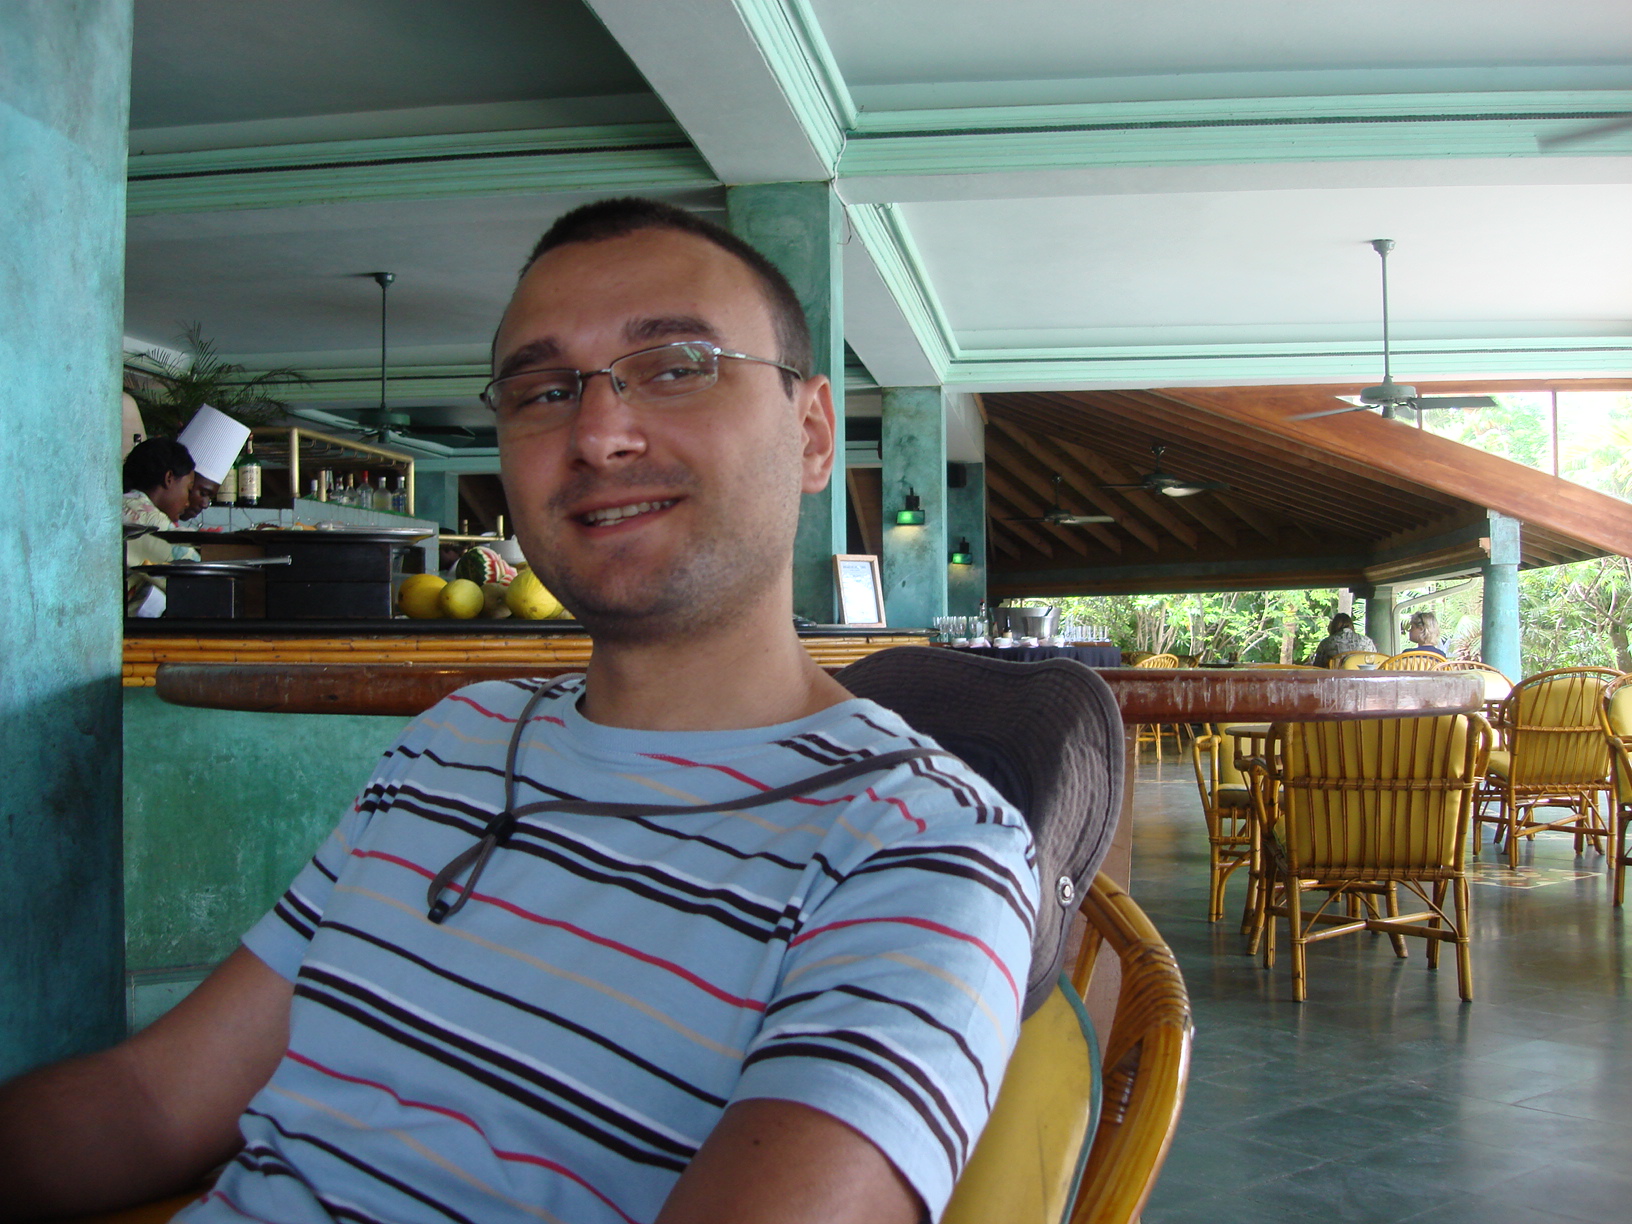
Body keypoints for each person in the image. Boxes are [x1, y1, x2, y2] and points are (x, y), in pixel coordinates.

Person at [0, 199, 1038, 1224]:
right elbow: (150, 1101)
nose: (597, 433)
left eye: (676, 366)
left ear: (812, 435)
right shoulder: (456, 740)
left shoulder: (922, 849)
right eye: (542, 391)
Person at [122, 437, 200, 615]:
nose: (187, 503)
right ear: (169, 478)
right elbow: (196, 571)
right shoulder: (144, 516)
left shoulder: (125, 503)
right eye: (188, 489)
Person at [1309, 612, 1377, 668]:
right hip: (1363, 678)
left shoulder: (1326, 643)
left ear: (1333, 626)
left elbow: (1318, 667)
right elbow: (1376, 662)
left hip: (1336, 679)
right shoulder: (1367, 641)